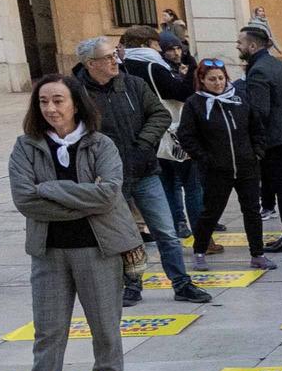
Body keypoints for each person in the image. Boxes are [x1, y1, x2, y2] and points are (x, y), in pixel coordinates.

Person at [0, 74, 144, 371]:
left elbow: (108, 193)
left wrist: (48, 188)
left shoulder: (101, 144)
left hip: (98, 249)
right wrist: (82, 197)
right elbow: (25, 199)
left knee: (105, 325)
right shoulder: (25, 146)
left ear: (75, 103)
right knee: (48, 328)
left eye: (58, 100)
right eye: (43, 101)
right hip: (49, 251)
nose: (50, 108)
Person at [73, 36, 208, 306]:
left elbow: (160, 114)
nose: (116, 60)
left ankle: (182, 283)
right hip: (107, 178)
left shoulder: (133, 84)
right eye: (108, 57)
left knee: (166, 232)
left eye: (115, 54)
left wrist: (144, 143)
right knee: (125, 236)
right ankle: (132, 285)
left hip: (145, 170)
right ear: (90, 63)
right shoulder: (77, 93)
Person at [177, 59, 271, 270]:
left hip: (247, 166)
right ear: (202, 80)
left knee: (252, 211)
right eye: (212, 79)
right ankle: (200, 251)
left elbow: (256, 126)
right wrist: (204, 158)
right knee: (211, 212)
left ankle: (258, 254)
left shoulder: (239, 98)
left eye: (221, 78)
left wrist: (257, 152)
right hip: (216, 170)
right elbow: (186, 136)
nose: (218, 83)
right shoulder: (194, 103)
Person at [121, 25, 200, 237]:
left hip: (141, 134)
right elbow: (183, 93)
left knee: (167, 183)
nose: (159, 49)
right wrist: (192, 68)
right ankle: (202, 235)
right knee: (191, 184)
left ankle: (175, 227)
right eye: (157, 44)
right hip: (168, 132)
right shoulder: (153, 67)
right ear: (147, 44)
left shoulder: (122, 66)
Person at [237, 19, 282, 253]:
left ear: (253, 46)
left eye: (241, 43)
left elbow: (259, 111)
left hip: (277, 137)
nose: (238, 47)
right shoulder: (280, 66)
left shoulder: (258, 71)